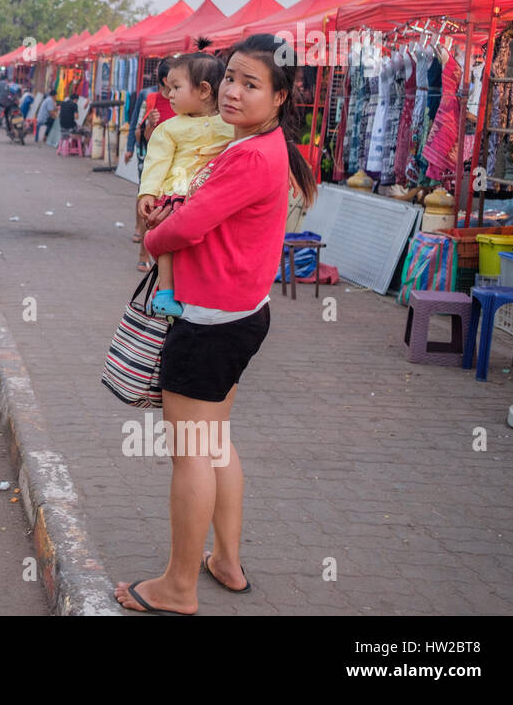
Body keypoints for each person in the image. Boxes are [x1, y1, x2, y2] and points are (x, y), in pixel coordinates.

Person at [113, 33, 317, 616]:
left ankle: (177, 588)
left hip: (208, 322)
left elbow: (184, 230)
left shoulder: (251, 155)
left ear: (280, 96)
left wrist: (152, 233)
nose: (231, 91)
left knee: (191, 452)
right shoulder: (262, 145)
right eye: (229, 77)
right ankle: (225, 561)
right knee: (215, 441)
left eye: (250, 84)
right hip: (239, 313)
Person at [135, 53, 233, 306]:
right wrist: (148, 193)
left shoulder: (231, 125)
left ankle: (204, 286)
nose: (169, 95)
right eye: (168, 88)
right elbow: (156, 162)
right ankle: (166, 291)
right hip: (175, 194)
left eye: (176, 88)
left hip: (212, 197)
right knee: (166, 238)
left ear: (203, 90)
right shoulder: (168, 129)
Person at [130, 61, 177, 262]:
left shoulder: (184, 102)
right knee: (149, 203)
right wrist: (150, 123)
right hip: (153, 162)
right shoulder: (150, 99)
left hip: (177, 166)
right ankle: (143, 251)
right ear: (167, 80)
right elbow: (140, 133)